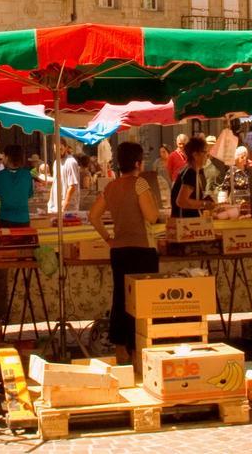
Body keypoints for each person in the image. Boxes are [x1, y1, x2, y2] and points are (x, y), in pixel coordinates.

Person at [89, 142, 161, 364]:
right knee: (144, 301)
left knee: (120, 299)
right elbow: (151, 216)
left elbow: (93, 216)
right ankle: (140, 348)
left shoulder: (111, 187)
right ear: (138, 162)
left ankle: (121, 349)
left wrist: (108, 238)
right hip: (142, 249)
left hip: (119, 250)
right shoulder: (140, 184)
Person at [171, 137, 214, 218]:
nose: (207, 156)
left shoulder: (191, 171)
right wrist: (205, 204)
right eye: (204, 152)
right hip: (185, 224)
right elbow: (181, 201)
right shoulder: (190, 173)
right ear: (195, 155)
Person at [0, 145, 34, 227]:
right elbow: (29, 195)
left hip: (5, 219)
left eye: (3, 156)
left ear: (7, 157)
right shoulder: (27, 175)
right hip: (23, 220)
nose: (2, 159)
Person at [47, 142, 81, 215]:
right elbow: (55, 182)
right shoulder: (56, 162)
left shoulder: (71, 162)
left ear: (66, 147)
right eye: (56, 150)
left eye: (61, 149)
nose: (58, 151)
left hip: (67, 208)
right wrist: (50, 202)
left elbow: (72, 186)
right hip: (55, 206)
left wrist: (65, 205)